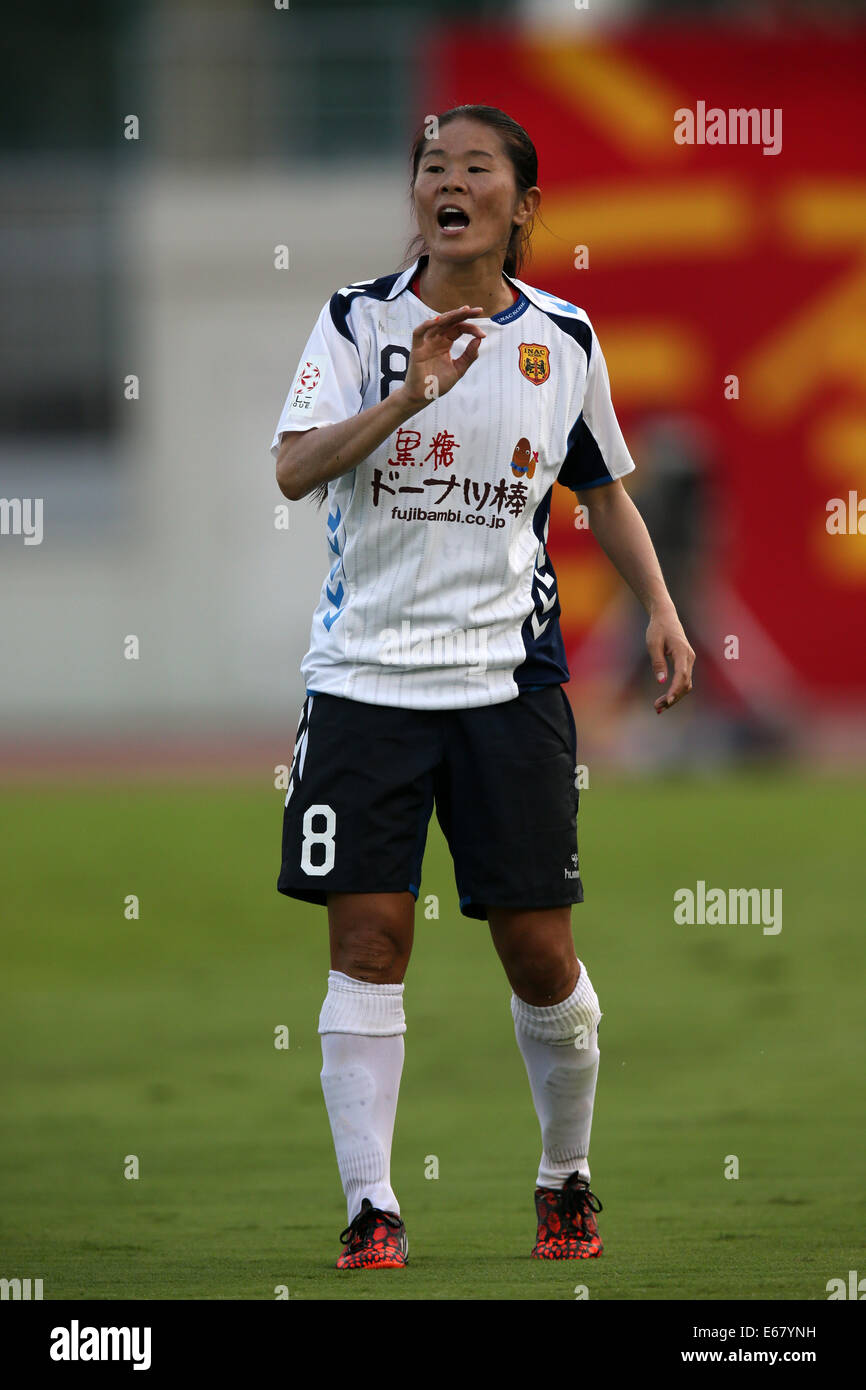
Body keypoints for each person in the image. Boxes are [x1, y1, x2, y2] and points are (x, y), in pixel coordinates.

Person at [270, 105, 694, 1271]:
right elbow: (294, 466)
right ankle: (372, 1208)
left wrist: (659, 609)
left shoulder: (562, 334)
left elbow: (600, 487)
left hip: (507, 689)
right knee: (366, 939)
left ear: (520, 204)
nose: (445, 183)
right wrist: (408, 394)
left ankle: (564, 1178)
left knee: (538, 956)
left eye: (473, 168)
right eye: (429, 166)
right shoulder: (357, 322)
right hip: (362, 685)